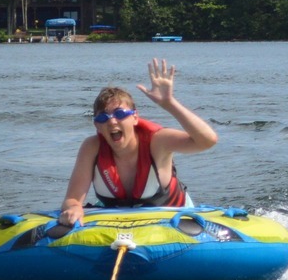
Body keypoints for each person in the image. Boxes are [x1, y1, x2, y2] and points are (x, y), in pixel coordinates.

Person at [58, 58, 219, 225]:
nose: (112, 122)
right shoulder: (91, 147)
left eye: (120, 114)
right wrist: (74, 208)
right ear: (97, 125)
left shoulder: (158, 141)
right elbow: (72, 199)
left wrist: (169, 104)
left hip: (172, 215)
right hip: (118, 219)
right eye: (103, 117)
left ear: (135, 117)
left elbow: (207, 141)